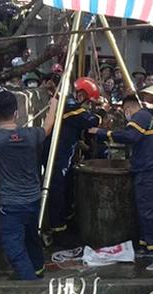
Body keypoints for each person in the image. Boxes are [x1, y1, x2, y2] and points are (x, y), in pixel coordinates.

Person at [0, 91, 58, 280]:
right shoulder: (31, 135)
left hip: (11, 206)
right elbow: (48, 127)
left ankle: (32, 285)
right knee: (32, 238)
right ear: (16, 112)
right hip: (33, 201)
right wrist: (54, 104)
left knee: (14, 249)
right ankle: (38, 270)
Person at [88, 95, 153, 271]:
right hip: (150, 171)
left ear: (128, 109)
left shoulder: (140, 116)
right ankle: (147, 247)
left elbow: (130, 136)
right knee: (146, 211)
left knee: (147, 212)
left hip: (147, 173)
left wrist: (103, 132)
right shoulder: (152, 121)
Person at [42, 77, 100, 237]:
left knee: (66, 187)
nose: (88, 105)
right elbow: (89, 121)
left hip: (64, 153)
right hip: (57, 155)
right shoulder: (69, 106)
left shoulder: (68, 104)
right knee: (57, 189)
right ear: (81, 95)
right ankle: (58, 228)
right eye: (88, 102)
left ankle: (67, 218)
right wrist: (101, 114)